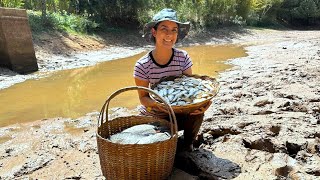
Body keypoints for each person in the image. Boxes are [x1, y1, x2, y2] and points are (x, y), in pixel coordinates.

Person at [133, 8, 211, 152]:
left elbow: (190, 87)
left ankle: (188, 144)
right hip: (157, 114)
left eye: (174, 30)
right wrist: (158, 105)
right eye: (164, 28)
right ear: (154, 32)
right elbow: (143, 98)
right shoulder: (142, 65)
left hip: (180, 112)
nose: (170, 34)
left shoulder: (183, 58)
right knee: (156, 145)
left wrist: (205, 102)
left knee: (198, 113)